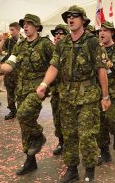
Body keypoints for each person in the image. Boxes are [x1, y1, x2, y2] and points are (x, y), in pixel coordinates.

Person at [36, 5, 111, 183]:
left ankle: (90, 170)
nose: (71, 19)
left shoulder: (92, 42)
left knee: (87, 135)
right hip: (67, 96)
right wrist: (44, 84)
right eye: (69, 16)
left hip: (88, 96)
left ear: (83, 20)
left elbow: (101, 71)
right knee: (69, 134)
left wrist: (105, 96)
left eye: (75, 16)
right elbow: (54, 66)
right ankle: (71, 169)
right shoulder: (62, 44)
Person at [0, 14, 54, 175]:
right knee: (25, 126)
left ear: (37, 27)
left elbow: (55, 66)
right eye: (24, 24)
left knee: (23, 114)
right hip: (22, 89)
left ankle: (39, 135)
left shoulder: (46, 44)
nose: (25, 27)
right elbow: (11, 63)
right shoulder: (20, 46)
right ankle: (30, 161)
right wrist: (0, 68)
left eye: (29, 24)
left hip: (38, 89)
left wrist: (47, 86)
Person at [96, 21, 115, 166]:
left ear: (112, 33)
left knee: (114, 118)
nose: (102, 33)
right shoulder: (96, 49)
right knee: (100, 124)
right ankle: (104, 152)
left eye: (105, 31)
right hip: (100, 91)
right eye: (100, 31)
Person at [49, 24, 69, 155]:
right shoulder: (52, 50)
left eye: (61, 33)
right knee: (57, 119)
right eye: (56, 33)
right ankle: (61, 142)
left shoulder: (71, 50)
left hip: (69, 92)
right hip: (56, 91)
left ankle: (71, 143)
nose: (57, 36)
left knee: (69, 120)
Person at [0, 22, 21, 120]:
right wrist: (3, 40)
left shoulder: (24, 40)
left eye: (12, 30)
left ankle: (20, 111)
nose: (10, 32)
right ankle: (12, 110)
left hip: (20, 70)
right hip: (9, 70)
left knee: (20, 92)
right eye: (10, 29)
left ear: (18, 30)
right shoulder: (9, 41)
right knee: (10, 92)